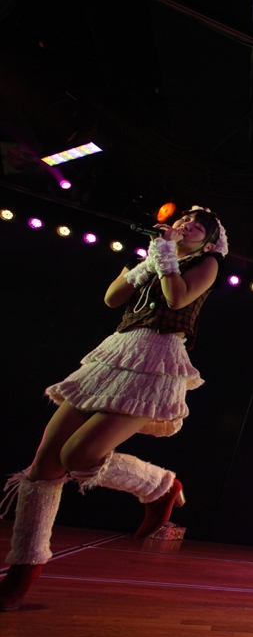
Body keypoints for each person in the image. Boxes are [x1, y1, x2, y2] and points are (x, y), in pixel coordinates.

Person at [0, 206, 228, 611]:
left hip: (158, 357)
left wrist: (166, 254)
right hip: (117, 350)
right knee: (43, 468)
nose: (187, 225)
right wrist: (150, 259)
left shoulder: (207, 264)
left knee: (78, 455)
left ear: (208, 242)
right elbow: (112, 298)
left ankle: (159, 485)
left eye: (198, 226)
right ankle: (21, 573)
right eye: (184, 220)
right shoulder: (155, 255)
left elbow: (177, 297)